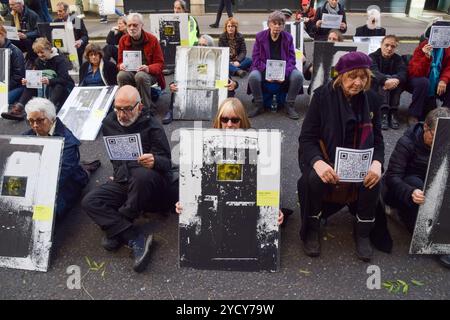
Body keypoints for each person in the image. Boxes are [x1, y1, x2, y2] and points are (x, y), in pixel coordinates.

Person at [298, 51, 384, 262]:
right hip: (328, 161)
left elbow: (378, 140)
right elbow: (307, 138)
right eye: (352, 76)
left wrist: (377, 164)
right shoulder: (321, 96)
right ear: (340, 76)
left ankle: (363, 232)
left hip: (359, 162)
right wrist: (318, 163)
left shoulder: (372, 99)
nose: (358, 82)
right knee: (312, 179)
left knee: (374, 181)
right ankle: (312, 227)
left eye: (363, 77)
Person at [82, 85, 173, 273]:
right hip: (125, 179)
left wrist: (155, 161)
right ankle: (133, 236)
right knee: (90, 201)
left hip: (151, 182)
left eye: (127, 109)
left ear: (139, 107)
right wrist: (118, 173)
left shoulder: (153, 126)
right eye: (117, 108)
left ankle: (119, 222)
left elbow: (167, 163)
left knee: (141, 176)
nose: (121, 114)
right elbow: (115, 159)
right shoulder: (109, 123)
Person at [175, 97, 284, 226]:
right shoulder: (204, 142)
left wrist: (273, 209)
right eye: (225, 119)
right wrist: (185, 202)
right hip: (213, 198)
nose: (229, 124)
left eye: (235, 120)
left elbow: (268, 181)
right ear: (219, 120)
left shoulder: (258, 143)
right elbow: (193, 178)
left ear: (242, 120)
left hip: (247, 198)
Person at [383, 107, 450, 268]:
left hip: (429, 187)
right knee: (418, 184)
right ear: (426, 127)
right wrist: (410, 192)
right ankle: (433, 242)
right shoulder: (407, 142)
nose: (440, 140)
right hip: (403, 190)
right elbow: (392, 177)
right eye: (435, 136)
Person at [23, 97, 93, 218]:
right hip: (39, 178)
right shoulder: (27, 136)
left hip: (65, 182)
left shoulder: (68, 141)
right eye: (31, 121)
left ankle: (84, 172)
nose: (35, 125)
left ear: (52, 118)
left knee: (43, 215)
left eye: (40, 120)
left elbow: (62, 175)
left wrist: (33, 190)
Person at [162, 34, 239, 125]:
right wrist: (172, 84)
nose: (201, 47)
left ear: (210, 47)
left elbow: (228, 79)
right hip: (194, 83)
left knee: (227, 86)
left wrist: (234, 84)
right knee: (177, 86)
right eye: (199, 45)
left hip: (212, 84)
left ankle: (227, 112)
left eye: (204, 46)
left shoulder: (219, 57)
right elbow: (181, 76)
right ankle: (172, 111)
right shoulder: (191, 57)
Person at [247, 11, 303, 120]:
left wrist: (284, 75)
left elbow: (292, 59)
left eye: (280, 24)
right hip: (264, 69)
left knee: (298, 76)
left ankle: (289, 105)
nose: (277, 26)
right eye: (274, 23)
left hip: (283, 70)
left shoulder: (288, 38)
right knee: (253, 76)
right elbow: (256, 58)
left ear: (283, 26)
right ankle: (259, 104)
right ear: (269, 24)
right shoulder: (260, 37)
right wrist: (268, 73)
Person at [1, 37, 74, 120]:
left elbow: (64, 79)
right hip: (46, 86)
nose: (40, 55)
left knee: (58, 85)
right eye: (38, 53)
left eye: (42, 52)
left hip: (64, 87)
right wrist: (28, 81)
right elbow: (36, 76)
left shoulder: (60, 60)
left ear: (49, 49)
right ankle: (19, 109)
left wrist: (49, 81)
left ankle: (48, 110)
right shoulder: (38, 61)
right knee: (30, 85)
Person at [117, 12, 165, 114]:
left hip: (148, 73)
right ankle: (126, 106)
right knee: (121, 75)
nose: (131, 28)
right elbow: (119, 62)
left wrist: (148, 68)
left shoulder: (152, 40)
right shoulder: (123, 40)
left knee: (140, 76)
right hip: (130, 72)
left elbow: (160, 64)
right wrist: (120, 65)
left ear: (141, 25)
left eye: (135, 25)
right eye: (129, 25)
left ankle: (145, 109)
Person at [407, 21, 450, 125]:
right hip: (421, 81)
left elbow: (449, 67)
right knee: (423, 82)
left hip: (437, 82)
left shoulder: (447, 49)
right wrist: (426, 57)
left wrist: (443, 80)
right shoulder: (422, 47)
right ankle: (413, 115)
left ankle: (445, 113)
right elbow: (416, 72)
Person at [369, 35, 407, 130]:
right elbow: (374, 71)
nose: (389, 48)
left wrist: (396, 80)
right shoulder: (372, 56)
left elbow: (403, 73)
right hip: (377, 86)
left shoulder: (398, 58)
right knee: (383, 81)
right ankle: (384, 113)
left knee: (396, 81)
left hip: (394, 86)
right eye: (386, 45)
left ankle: (393, 112)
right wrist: (386, 80)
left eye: (392, 46)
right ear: (381, 45)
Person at [54, 1, 89, 67]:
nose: (58, 13)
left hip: (75, 46)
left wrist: (80, 41)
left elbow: (85, 36)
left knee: (74, 61)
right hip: (62, 45)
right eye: (57, 11)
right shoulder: (56, 21)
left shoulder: (76, 20)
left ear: (67, 11)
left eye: (60, 11)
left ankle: (76, 68)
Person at [0, 24, 25, 105]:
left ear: (2, 35)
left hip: (15, 86)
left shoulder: (15, 51)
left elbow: (18, 76)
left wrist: (3, 88)